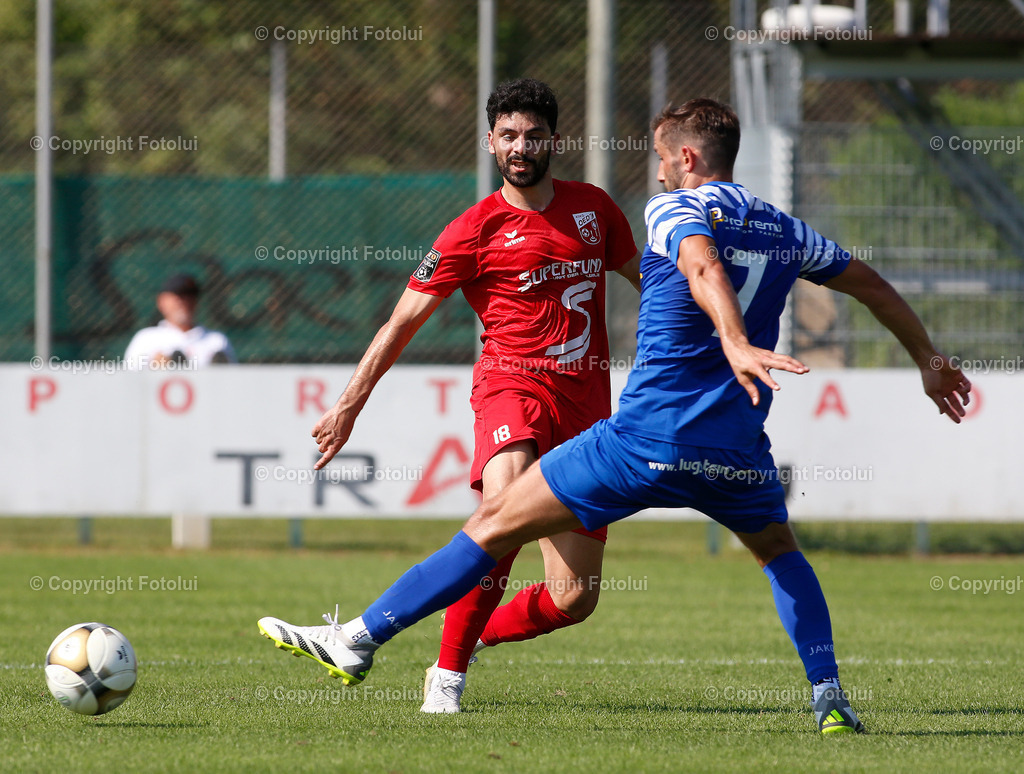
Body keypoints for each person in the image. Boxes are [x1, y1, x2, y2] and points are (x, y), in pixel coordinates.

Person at [258, 98, 971, 734]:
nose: (658, 173)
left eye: (662, 160)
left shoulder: (672, 209)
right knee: (782, 555)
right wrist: (929, 359)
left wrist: (729, 337)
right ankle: (830, 697)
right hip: (734, 450)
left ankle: (359, 637)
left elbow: (699, 267)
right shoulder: (787, 230)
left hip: (641, 439)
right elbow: (871, 284)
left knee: (497, 529)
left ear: (686, 159)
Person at [259, 78, 639, 713]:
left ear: (555, 140)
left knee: (574, 598)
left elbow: (650, 281)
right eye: (509, 135)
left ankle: (459, 640)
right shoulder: (473, 229)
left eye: (534, 135)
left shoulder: (594, 209)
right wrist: (350, 403)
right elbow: (401, 322)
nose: (522, 146)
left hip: (585, 410)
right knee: (502, 515)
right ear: (491, 143)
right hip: (511, 388)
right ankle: (441, 675)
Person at [124, 273, 236, 368]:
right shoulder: (146, 339)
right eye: (178, 296)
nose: (184, 302)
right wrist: (153, 368)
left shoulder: (217, 341)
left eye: (190, 296)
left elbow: (234, 382)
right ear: (161, 301)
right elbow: (128, 381)